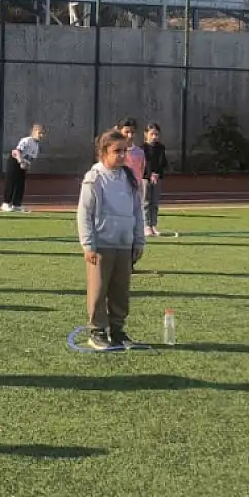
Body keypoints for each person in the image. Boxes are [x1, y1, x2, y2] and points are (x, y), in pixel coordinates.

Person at [78, 129, 145, 350]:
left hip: (124, 244)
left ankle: (117, 330)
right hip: (101, 246)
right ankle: (97, 331)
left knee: (120, 291)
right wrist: (88, 245)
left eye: (125, 151)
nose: (123, 155)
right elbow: (84, 214)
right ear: (103, 152)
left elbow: (137, 211)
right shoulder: (94, 178)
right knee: (98, 290)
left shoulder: (129, 178)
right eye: (117, 151)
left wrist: (139, 240)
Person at [2, 123, 44, 213]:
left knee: (20, 184)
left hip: (23, 164)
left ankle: (17, 204)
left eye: (42, 133)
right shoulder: (26, 140)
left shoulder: (36, 146)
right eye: (39, 133)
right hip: (14, 161)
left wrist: (26, 165)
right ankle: (6, 203)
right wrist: (20, 161)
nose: (41, 135)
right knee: (11, 182)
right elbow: (17, 151)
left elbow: (30, 159)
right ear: (34, 132)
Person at [143, 122, 169, 236]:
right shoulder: (143, 148)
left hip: (158, 178)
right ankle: (146, 225)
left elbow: (162, 162)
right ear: (146, 134)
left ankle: (153, 225)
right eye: (152, 134)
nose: (154, 137)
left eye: (156, 134)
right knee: (146, 202)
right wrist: (150, 174)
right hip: (145, 178)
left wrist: (157, 173)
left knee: (155, 202)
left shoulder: (161, 148)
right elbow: (145, 163)